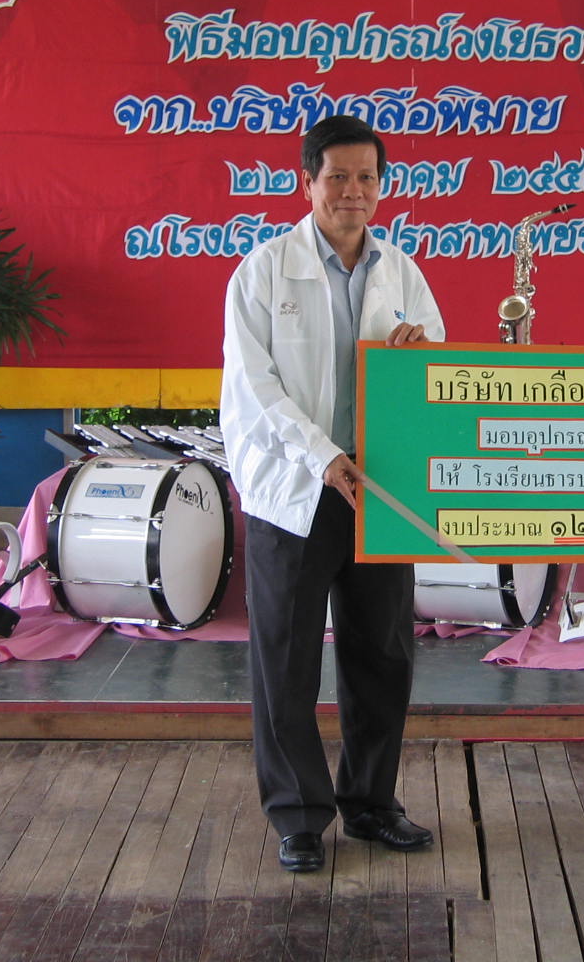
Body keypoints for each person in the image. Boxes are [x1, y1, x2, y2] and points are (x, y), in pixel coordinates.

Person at [220, 114, 445, 874]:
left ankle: (372, 804)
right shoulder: (262, 272)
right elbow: (255, 390)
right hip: (295, 488)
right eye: (338, 177)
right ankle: (298, 815)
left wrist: (421, 352)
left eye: (367, 178)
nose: (354, 191)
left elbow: (435, 371)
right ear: (307, 182)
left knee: (382, 651)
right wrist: (321, 457)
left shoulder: (402, 272)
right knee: (285, 658)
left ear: (382, 187)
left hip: (378, 488)